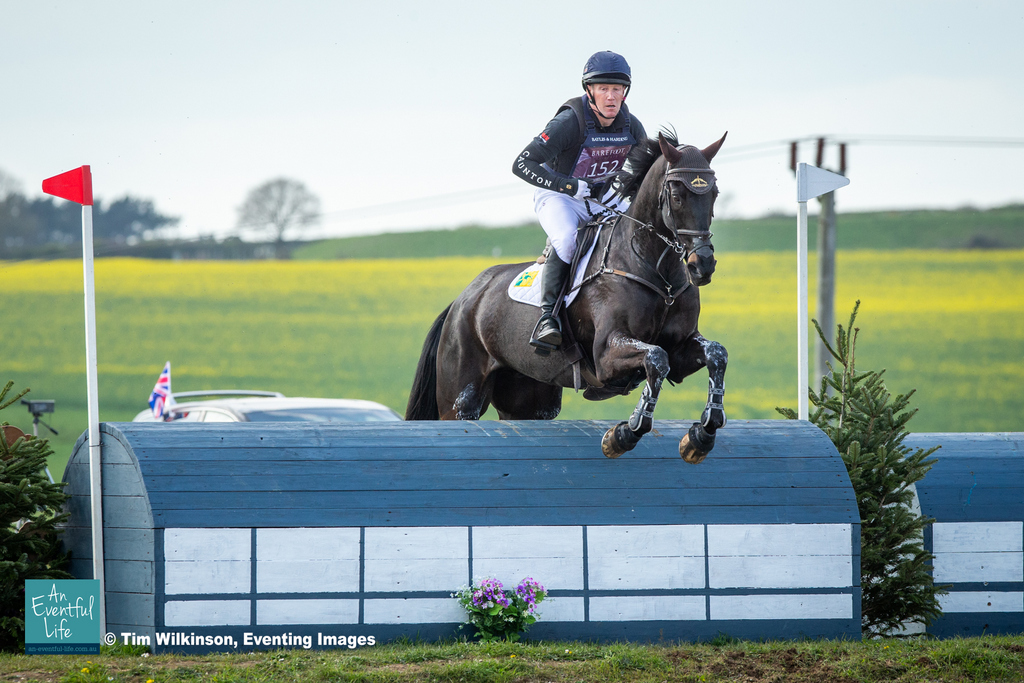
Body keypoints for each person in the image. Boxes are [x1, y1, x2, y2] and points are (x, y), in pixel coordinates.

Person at [512, 50, 647, 350]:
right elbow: (521, 164)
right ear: (589, 90)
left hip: (601, 197)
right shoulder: (569, 121)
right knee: (567, 240)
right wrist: (568, 185)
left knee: (640, 230)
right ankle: (548, 318)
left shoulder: (631, 126)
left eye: (617, 89)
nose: (611, 97)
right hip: (558, 195)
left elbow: (645, 175)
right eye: (603, 89)